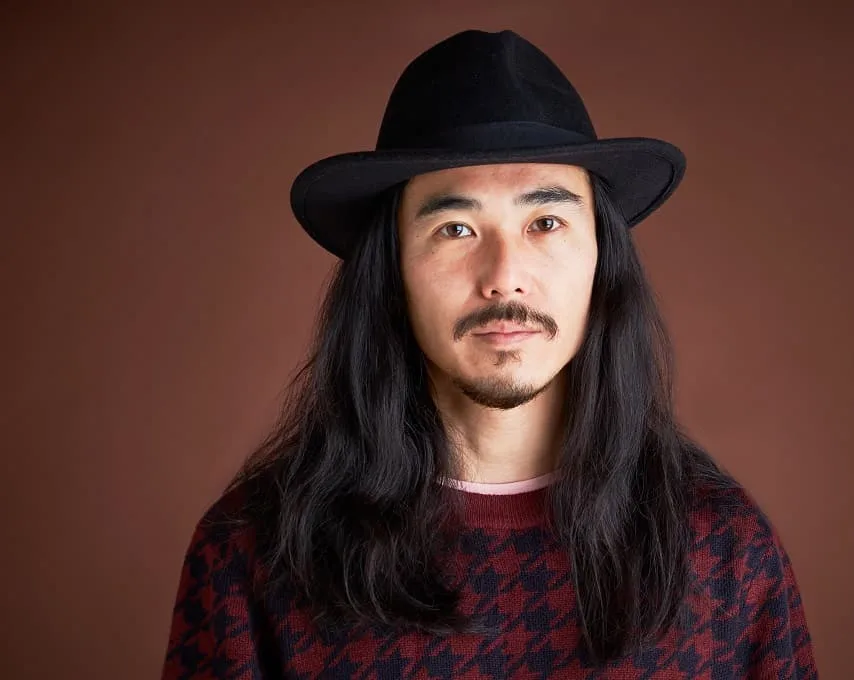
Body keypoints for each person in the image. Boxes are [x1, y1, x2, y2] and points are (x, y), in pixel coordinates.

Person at [161, 29, 817, 679]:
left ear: (601, 258)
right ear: (391, 270)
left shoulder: (726, 552)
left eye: (546, 223)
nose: (504, 275)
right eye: (456, 228)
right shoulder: (253, 554)